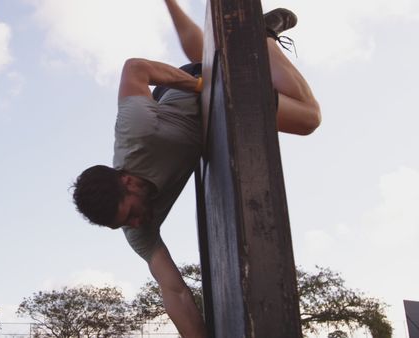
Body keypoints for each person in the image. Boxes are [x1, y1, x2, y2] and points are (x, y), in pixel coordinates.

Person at [72, 0, 321, 336]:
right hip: (205, 124)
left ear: (127, 180)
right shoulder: (137, 232)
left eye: (130, 213)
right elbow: (172, 290)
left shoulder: (136, 132)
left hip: (193, 90)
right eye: (125, 224)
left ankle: (261, 36)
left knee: (308, 117)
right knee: (209, 51)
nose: (135, 222)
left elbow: (134, 68)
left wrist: (202, 86)